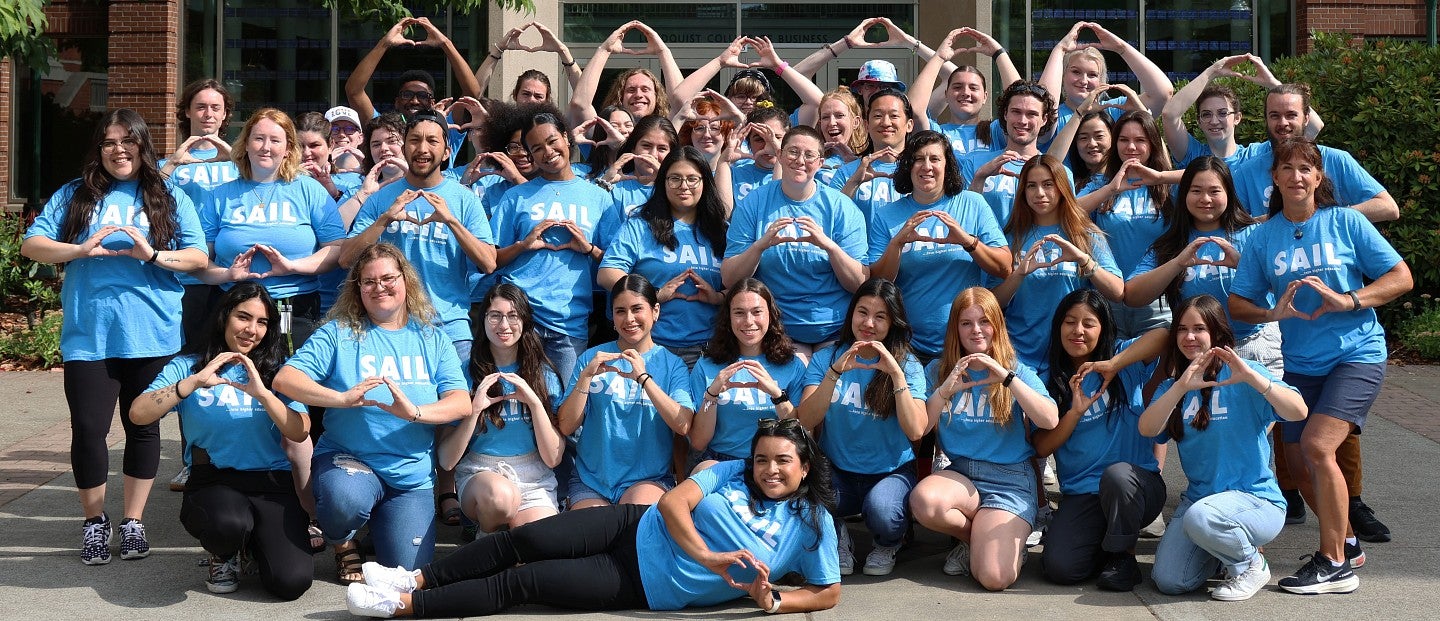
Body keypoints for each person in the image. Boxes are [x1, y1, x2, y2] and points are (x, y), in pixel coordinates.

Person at [345, 419, 841, 617]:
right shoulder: (732, 471)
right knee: (523, 541)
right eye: (763, 459)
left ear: (804, 466)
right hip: (631, 523)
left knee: (524, 585)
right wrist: (711, 558)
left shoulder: (812, 522)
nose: (769, 470)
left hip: (642, 582)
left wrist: (773, 600)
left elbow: (828, 592)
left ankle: (406, 606)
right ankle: (415, 576)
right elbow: (672, 503)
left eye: (782, 462)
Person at [21, 108, 209, 565]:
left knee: (141, 427)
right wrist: (80, 249)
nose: (118, 149)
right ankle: (93, 523)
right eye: (108, 142)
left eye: (128, 141)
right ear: (98, 149)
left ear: (144, 146)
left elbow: (200, 257)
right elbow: (32, 243)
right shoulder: (75, 194)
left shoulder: (168, 196)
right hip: (90, 334)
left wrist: (152, 254)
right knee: (88, 430)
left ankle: (133, 522)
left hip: (153, 332)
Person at [1228, 138, 1412, 594]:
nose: (1296, 176)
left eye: (1305, 169)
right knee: (1294, 459)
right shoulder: (1263, 236)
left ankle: (1333, 565)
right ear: (1274, 177)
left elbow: (1400, 276)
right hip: (1302, 364)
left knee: (1316, 447)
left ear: (1318, 177)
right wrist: (1274, 314)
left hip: (1356, 355)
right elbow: (1238, 301)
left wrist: (1349, 299)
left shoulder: (1346, 221)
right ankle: (1346, 541)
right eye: (1286, 168)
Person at [273, 243, 471, 581]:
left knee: (406, 576)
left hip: (409, 475)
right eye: (368, 281)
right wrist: (340, 399)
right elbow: (286, 378)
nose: (379, 287)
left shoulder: (433, 338)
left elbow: (460, 402)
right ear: (358, 289)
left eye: (388, 278)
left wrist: (415, 412)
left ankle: (382, 524)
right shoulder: (339, 332)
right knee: (344, 499)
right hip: (350, 460)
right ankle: (343, 541)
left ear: (406, 281)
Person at [129, 283, 312, 599]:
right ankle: (223, 553)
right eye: (243, 317)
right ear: (225, 317)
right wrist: (193, 383)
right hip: (213, 479)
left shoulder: (278, 370)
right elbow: (138, 413)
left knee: (291, 582)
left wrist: (266, 395)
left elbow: (299, 431)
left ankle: (253, 544)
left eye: (262, 322)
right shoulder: (187, 366)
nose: (251, 330)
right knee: (227, 523)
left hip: (271, 481)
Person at [1140, 295, 1308, 601]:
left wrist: (1256, 379)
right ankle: (1222, 551)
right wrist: (1180, 387)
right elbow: (1148, 429)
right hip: (1201, 504)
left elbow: (1298, 411)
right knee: (1169, 580)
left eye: (1199, 328)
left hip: (1255, 502)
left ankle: (1251, 564)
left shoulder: (1245, 374)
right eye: (1181, 329)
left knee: (1201, 517)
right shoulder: (1173, 386)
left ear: (1217, 333)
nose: (1189, 337)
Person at [910, 287, 1059, 590]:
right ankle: (976, 539)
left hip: (1010, 480)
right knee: (924, 501)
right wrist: (944, 390)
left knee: (993, 578)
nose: (976, 330)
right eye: (966, 323)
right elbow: (921, 428)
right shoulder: (938, 370)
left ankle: (998, 545)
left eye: (984, 321)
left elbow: (1050, 419)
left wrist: (1006, 378)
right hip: (961, 474)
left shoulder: (1016, 369)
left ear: (997, 326)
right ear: (956, 328)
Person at [342, 110, 499, 380]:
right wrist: (384, 220)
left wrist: (452, 221)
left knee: (456, 412)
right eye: (414, 140)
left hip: (449, 327)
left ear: (447, 151)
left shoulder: (464, 200)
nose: (422, 148)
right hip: (392, 325)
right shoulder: (383, 199)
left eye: (432, 141)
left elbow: (488, 263)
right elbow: (346, 258)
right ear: (404, 147)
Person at [1031, 290, 1166, 591]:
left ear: (1103, 328)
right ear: (1058, 327)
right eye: (1070, 322)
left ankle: (1123, 558)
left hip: (1135, 487)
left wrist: (1114, 363)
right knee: (1060, 568)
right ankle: (1106, 545)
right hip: (1083, 494)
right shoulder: (1047, 377)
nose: (1078, 331)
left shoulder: (1125, 362)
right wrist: (1074, 413)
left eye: (1088, 324)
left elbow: (1164, 336)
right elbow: (1041, 447)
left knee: (1116, 476)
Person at [794, 278, 928, 577]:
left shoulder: (908, 366)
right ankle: (837, 534)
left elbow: (917, 430)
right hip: (837, 470)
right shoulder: (828, 357)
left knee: (883, 512)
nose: (869, 323)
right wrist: (835, 372)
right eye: (862, 312)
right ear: (851, 314)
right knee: (805, 496)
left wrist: (895, 374)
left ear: (893, 322)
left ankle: (890, 540)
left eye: (880, 316)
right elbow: (806, 419)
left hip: (889, 471)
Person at [197, 108, 346, 353]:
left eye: (275, 140)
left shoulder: (309, 190)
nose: (266, 147)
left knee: (285, 373)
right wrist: (227, 274)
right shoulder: (219, 196)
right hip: (234, 306)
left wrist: (292, 267)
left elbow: (337, 248)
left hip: (290, 307)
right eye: (258, 138)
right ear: (245, 144)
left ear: (288, 149)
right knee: (232, 377)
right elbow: (199, 261)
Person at [489, 106, 618, 382]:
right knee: (520, 403)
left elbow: (615, 261)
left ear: (566, 138)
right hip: (521, 319)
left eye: (551, 142)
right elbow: (491, 259)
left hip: (570, 321)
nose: (547, 152)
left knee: (567, 408)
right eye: (536, 148)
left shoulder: (598, 197)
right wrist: (524, 244)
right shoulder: (515, 197)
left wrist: (588, 248)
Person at [159, 78, 240, 492]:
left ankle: (236, 453)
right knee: (191, 364)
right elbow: (150, 198)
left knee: (233, 362)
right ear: (186, 112)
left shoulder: (237, 160)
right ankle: (192, 457)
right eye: (200, 107)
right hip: (188, 278)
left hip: (231, 274)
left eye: (215, 108)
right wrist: (174, 163)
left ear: (226, 115)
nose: (207, 115)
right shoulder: (167, 165)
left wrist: (234, 157)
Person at [722, 126, 868, 354]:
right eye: (792, 152)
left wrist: (829, 246)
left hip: (833, 330)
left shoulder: (841, 207)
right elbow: (730, 278)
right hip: (776, 331)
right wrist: (760, 246)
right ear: (780, 156)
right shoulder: (754, 203)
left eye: (809, 155)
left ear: (820, 163)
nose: (800, 160)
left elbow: (860, 282)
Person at [868, 129, 1010, 361]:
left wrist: (968, 242)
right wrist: (897, 244)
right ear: (907, 166)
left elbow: (1004, 268)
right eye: (918, 159)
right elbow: (877, 282)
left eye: (935, 159)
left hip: (966, 343)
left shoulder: (973, 204)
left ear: (947, 165)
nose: (926, 166)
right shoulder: (887, 215)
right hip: (908, 345)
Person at [436, 283, 565, 535]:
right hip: (481, 473)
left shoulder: (543, 374)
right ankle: (486, 533)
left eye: (513, 316)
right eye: (495, 315)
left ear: (526, 322)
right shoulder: (465, 372)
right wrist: (473, 411)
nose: (504, 325)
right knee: (500, 498)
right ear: (483, 319)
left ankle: (502, 542)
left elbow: (553, 458)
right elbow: (446, 459)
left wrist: (535, 403)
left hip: (533, 475)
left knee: (539, 542)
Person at [557, 275, 695, 508]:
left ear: (655, 311)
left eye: (637, 309)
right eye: (620, 311)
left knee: (634, 523)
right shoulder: (591, 358)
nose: (629, 319)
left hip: (647, 480)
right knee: (592, 536)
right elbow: (567, 426)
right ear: (612, 317)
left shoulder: (672, 364)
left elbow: (682, 425)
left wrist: (644, 378)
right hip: (592, 480)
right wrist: (585, 378)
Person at [991, 155, 1123, 375]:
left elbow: (1117, 291)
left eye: (1048, 185)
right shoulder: (1010, 237)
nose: (1039, 193)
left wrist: (1084, 260)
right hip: (1019, 357)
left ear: (1062, 188)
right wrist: (1019, 275)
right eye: (1031, 186)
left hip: (1071, 357)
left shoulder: (1084, 233)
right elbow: (993, 302)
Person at [599, 147, 727, 366]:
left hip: (709, 350)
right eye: (675, 178)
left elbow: (741, 281)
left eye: (692, 179)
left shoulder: (722, 231)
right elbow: (607, 273)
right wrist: (653, 295)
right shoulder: (640, 226)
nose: (684, 186)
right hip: (652, 349)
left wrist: (718, 297)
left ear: (705, 183)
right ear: (663, 183)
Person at [1076, 110, 1179, 338]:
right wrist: (1111, 189)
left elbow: (1214, 173)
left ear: (1152, 143)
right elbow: (1067, 212)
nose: (1131, 147)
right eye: (1124, 140)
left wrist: (1162, 177)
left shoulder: (1168, 187)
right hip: (1107, 297)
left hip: (1157, 300)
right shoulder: (1100, 184)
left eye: (1140, 140)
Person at [1229, 84, 1397, 222]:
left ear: (1306, 118)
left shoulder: (1336, 160)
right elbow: (1230, 222)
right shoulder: (1247, 172)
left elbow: (1388, 207)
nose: (1283, 123)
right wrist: (1268, 223)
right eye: (1274, 116)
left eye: (1291, 115)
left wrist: (1328, 218)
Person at [689, 278, 807, 463]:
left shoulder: (792, 365)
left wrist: (777, 395)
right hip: (720, 460)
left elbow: (804, 434)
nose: (748, 321)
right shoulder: (706, 366)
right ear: (728, 317)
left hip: (773, 464)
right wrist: (711, 395)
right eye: (739, 313)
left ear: (771, 315)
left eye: (757, 312)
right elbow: (698, 442)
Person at [344, 17, 483, 165]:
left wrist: (445, 43)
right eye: (407, 95)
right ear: (396, 102)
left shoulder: (445, 126)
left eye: (423, 96)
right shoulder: (383, 126)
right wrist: (384, 44)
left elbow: (472, 93)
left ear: (432, 102)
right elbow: (354, 91)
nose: (415, 101)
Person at [1160, 54, 1314, 170]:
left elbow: (1314, 127)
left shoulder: (1258, 154)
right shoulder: (1192, 154)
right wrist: (1211, 72)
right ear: (1199, 121)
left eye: (1222, 113)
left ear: (1237, 117)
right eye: (1206, 114)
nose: (1214, 121)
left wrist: (1273, 84)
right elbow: (1169, 115)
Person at [1038, 22, 1173, 139]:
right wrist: (1059, 49)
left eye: (1092, 75)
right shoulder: (1048, 118)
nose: (1084, 81)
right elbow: (1042, 106)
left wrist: (1121, 48)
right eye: (1076, 72)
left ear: (1102, 81)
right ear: (1062, 75)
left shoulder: (1115, 109)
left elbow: (1162, 93)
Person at [959, 81, 1062, 226]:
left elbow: (1064, 222)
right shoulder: (975, 164)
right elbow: (963, 220)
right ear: (1005, 114)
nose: (1022, 121)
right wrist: (979, 178)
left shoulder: (1058, 171)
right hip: (983, 248)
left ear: (1044, 119)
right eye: (1016, 112)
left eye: (1031, 114)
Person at [910, 27, 1020, 157]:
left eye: (973, 88)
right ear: (946, 94)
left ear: (985, 96)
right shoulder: (936, 133)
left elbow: (1021, 102)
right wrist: (939, 57)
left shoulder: (996, 132)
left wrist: (999, 53)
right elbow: (914, 110)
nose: (965, 93)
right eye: (957, 87)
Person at [569, 21, 681, 123]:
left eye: (645, 89)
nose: (638, 95)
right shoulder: (604, 131)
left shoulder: (666, 132)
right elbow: (580, 103)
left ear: (657, 96)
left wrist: (663, 51)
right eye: (631, 90)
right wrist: (604, 50)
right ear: (620, 97)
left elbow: (681, 102)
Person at [828, 89, 915, 218]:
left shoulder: (921, 171)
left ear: (909, 125)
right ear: (866, 125)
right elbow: (830, 218)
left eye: (894, 116)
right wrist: (854, 183)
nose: (885, 123)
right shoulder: (846, 173)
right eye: (878, 116)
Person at [472, 21, 581, 106]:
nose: (531, 100)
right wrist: (497, 49)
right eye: (526, 94)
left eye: (538, 96)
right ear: (515, 95)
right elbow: (472, 96)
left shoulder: (557, 125)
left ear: (547, 99)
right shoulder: (501, 124)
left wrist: (563, 51)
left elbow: (584, 97)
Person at [814, 88, 867, 184]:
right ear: (820, 123)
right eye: (825, 117)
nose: (832, 123)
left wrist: (854, 165)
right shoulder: (810, 160)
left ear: (855, 122)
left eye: (839, 115)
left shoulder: (868, 160)